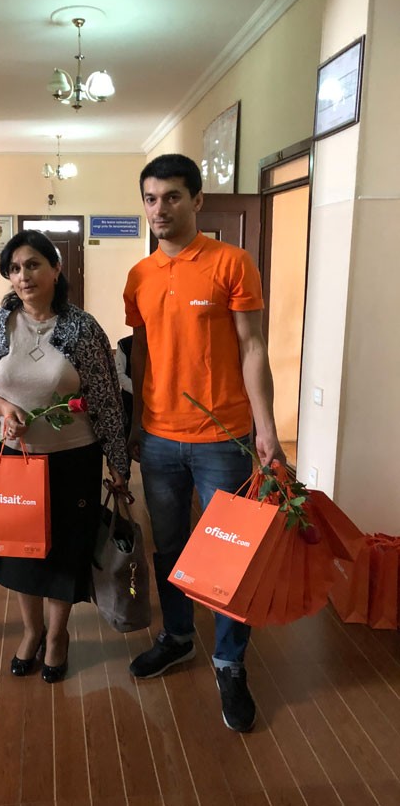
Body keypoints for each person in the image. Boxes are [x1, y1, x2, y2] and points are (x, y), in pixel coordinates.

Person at [124, 153, 285, 732]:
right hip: (159, 438)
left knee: (229, 555)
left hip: (224, 437)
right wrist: (136, 422)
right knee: (169, 548)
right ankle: (177, 636)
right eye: (150, 198)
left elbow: (253, 347)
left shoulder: (231, 263)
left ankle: (230, 662)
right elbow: (139, 353)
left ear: (197, 200)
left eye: (171, 196)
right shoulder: (140, 275)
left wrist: (266, 428)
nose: (159, 209)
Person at [0, 230, 129, 683]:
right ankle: (31, 631)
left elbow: (106, 399)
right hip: (15, 461)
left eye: (33, 264)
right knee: (19, 554)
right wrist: (2, 407)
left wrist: (118, 462)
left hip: (73, 459)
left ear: (55, 268)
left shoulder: (82, 328)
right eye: (14, 268)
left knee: (64, 551)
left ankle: (56, 636)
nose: (23, 276)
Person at [114, 334, 133, 437]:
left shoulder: (159, 342)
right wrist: (139, 391)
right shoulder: (124, 344)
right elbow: (120, 374)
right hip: (130, 399)